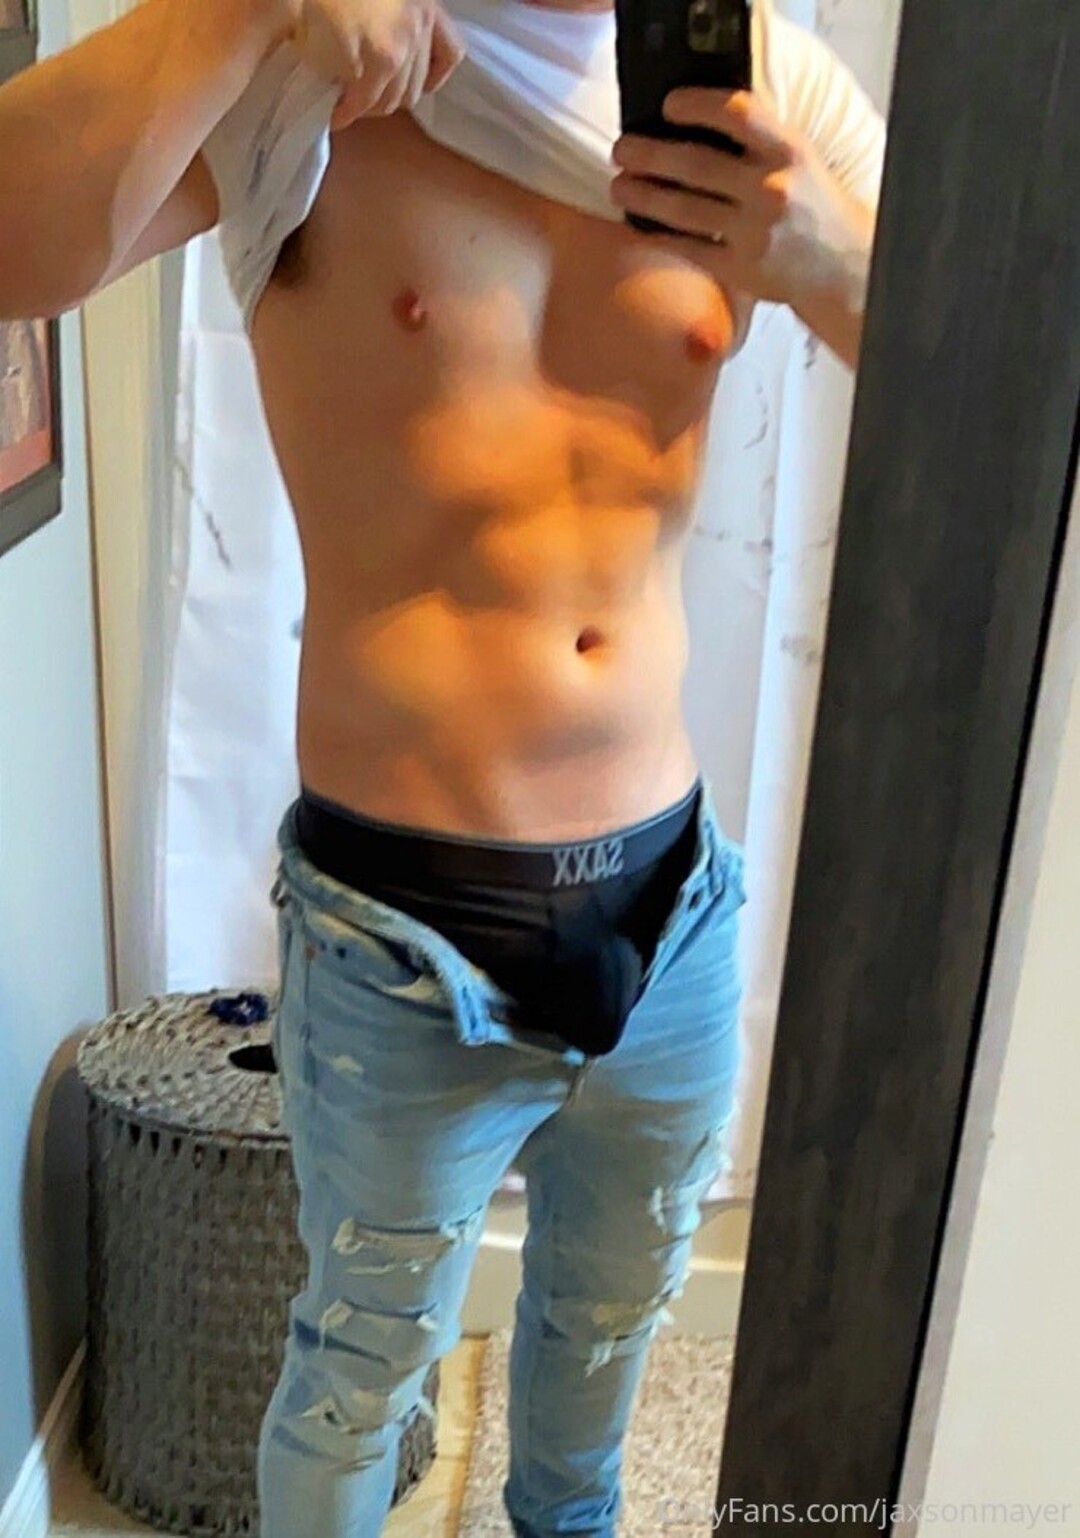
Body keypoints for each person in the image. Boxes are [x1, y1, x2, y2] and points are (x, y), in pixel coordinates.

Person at [0, 0, 884, 1530]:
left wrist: (826, 259)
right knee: (357, 1374)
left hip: (671, 908)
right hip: (398, 930)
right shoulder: (314, 57)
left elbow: (990, 374)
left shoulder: (757, 77)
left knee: (606, 1346)